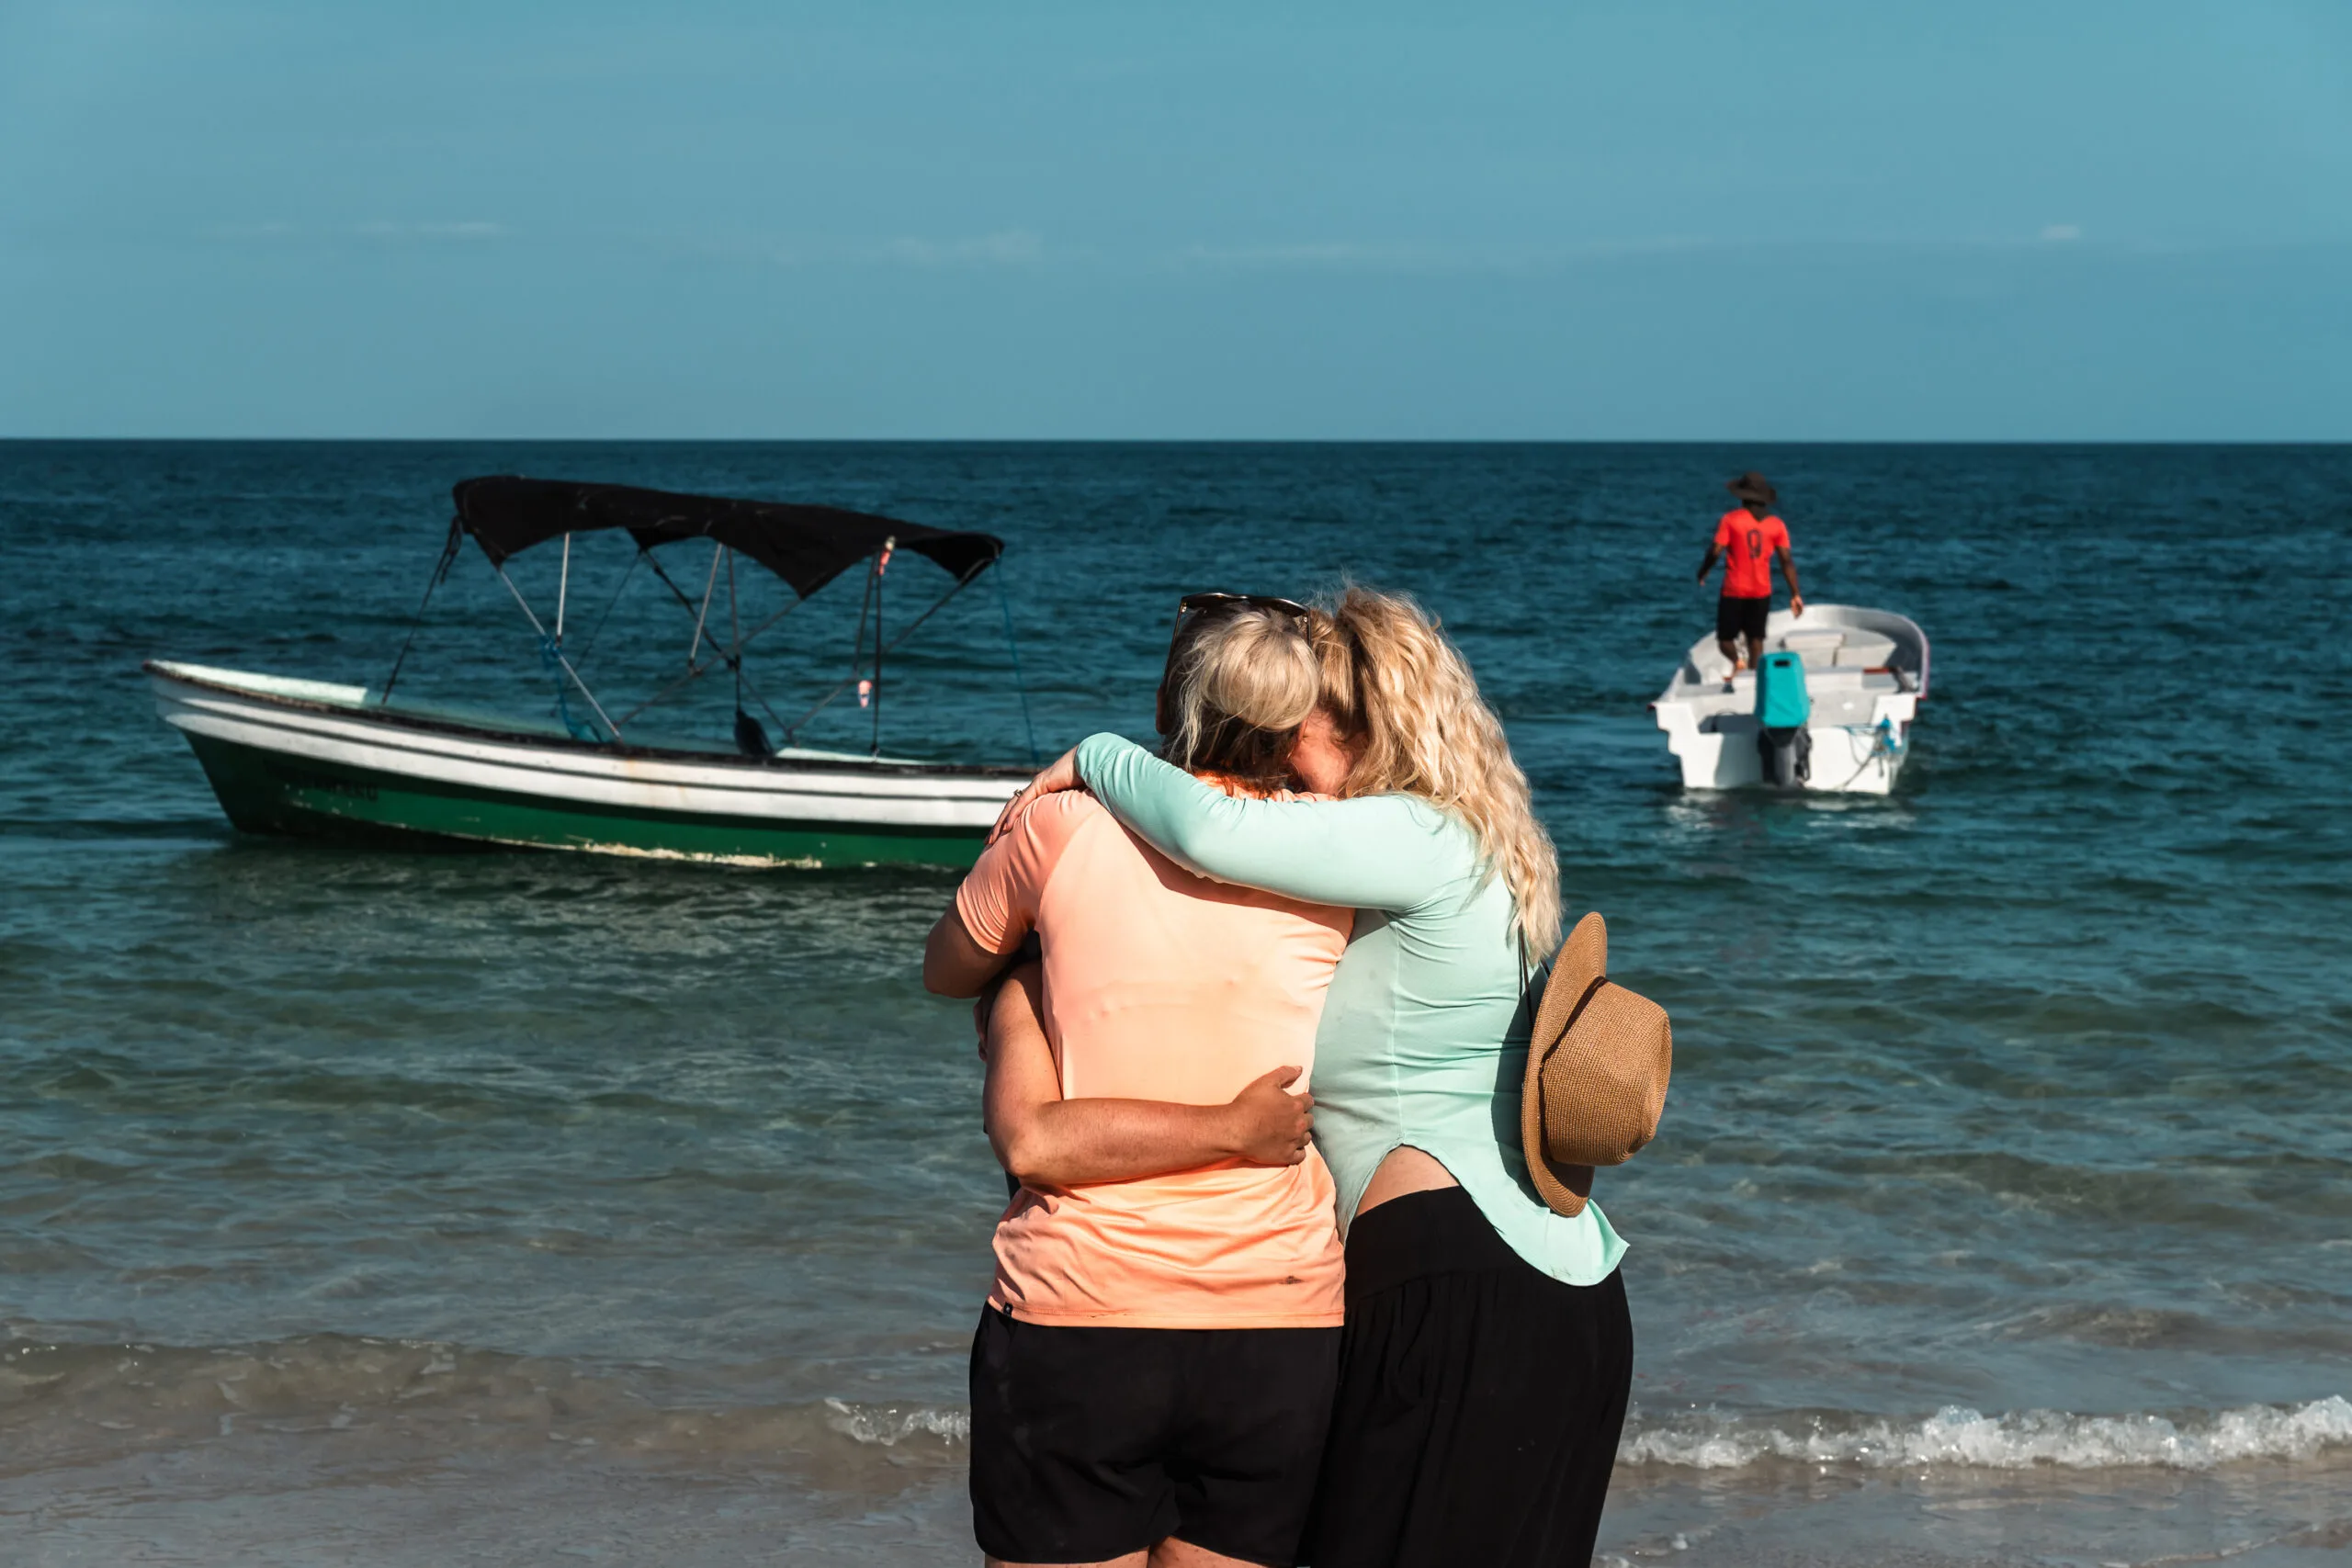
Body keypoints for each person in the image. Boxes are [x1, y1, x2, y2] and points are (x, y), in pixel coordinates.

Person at [989, 586, 1634, 1568]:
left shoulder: (1407, 834)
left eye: (1295, 728)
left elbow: (1208, 832)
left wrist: (1095, 755)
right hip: (1555, 1291)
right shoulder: (1474, 846)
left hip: (1454, 1293)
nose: (1278, 757)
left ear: (1363, 726)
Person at [922, 596, 1360, 1568]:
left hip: (1083, 1308)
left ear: (1173, 700)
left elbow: (946, 967)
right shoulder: (1340, 853)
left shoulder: (1066, 826)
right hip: (1278, 1320)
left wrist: (1021, 989)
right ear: (1296, 722)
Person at [1697, 469, 1804, 675]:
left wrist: (1703, 571)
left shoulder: (1730, 520)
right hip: (1761, 591)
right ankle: (1754, 680)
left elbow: (1715, 550)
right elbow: (1786, 561)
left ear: (1742, 497)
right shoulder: (1776, 525)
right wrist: (1795, 593)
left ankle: (1737, 662)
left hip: (1734, 590)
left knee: (1725, 640)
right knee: (1756, 640)